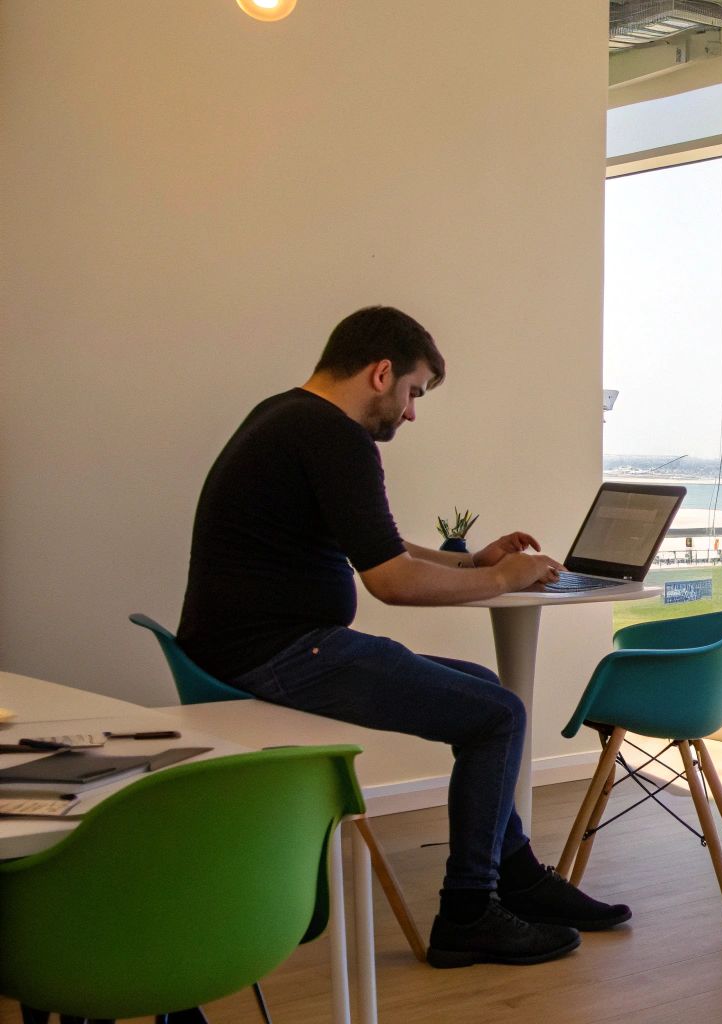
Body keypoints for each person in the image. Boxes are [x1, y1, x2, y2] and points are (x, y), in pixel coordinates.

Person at [177, 306, 625, 969]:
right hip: (282, 655)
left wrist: (470, 562)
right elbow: (391, 581)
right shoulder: (335, 438)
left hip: (250, 649)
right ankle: (469, 912)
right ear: (381, 373)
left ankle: (518, 876)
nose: (411, 413)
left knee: (482, 690)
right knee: (499, 714)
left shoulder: (285, 416)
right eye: (413, 392)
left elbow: (381, 548)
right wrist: (504, 578)